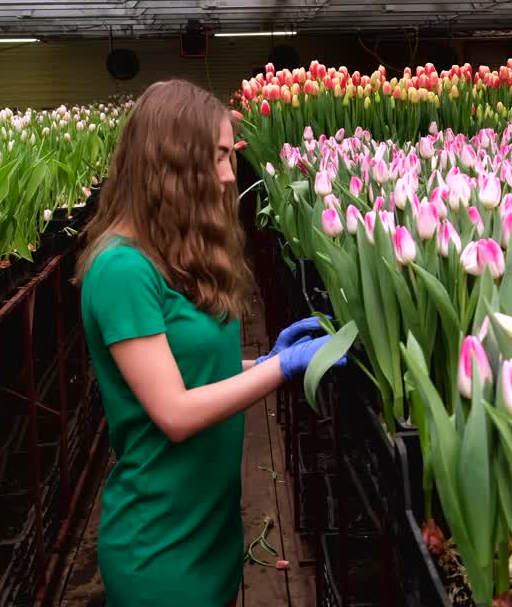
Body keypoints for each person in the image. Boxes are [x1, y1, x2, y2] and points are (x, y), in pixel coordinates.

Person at [75, 79, 341, 607]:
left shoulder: (169, 256)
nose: (228, 173)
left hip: (209, 530)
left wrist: (258, 361)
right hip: (160, 548)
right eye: (219, 156)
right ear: (172, 160)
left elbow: (190, 370)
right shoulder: (122, 270)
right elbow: (173, 411)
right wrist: (281, 369)